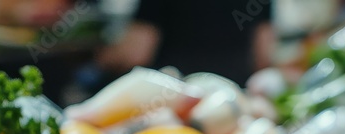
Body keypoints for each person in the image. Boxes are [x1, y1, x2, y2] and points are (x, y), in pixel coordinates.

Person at [99, 0, 275, 86]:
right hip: (230, 98)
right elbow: (263, 56)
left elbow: (136, 54)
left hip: (172, 97)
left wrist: (101, 58)